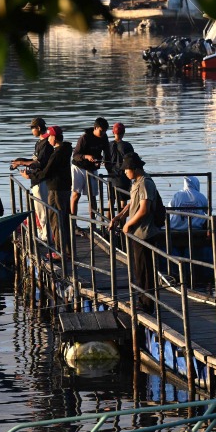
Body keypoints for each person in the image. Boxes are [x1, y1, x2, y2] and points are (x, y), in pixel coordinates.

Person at [110, 153, 165, 311]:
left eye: (127, 170)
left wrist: (128, 225)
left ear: (134, 169)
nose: (125, 173)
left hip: (144, 233)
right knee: (138, 269)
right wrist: (119, 217)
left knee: (145, 270)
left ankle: (147, 305)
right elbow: (132, 205)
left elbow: (144, 210)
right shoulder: (136, 183)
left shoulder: (146, 183)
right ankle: (141, 300)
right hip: (136, 233)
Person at [34, 126, 73, 260]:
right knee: (59, 218)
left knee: (57, 220)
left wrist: (32, 176)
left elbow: (47, 171)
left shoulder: (58, 153)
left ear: (54, 138)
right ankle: (63, 251)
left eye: (49, 137)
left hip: (57, 190)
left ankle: (62, 252)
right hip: (61, 188)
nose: (48, 139)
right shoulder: (65, 149)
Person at [12, 117, 52, 243]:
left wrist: (21, 162)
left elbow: (39, 163)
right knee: (39, 211)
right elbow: (34, 161)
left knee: (43, 210)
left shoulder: (46, 144)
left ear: (38, 128)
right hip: (35, 181)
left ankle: (47, 236)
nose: (31, 131)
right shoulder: (39, 143)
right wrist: (20, 162)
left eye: (32, 128)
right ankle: (42, 233)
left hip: (41, 182)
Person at [71, 117, 109, 222]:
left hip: (92, 169)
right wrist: (87, 156)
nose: (103, 133)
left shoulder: (104, 138)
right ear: (95, 128)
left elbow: (107, 154)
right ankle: (73, 223)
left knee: (92, 196)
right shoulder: (85, 138)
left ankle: (93, 223)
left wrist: (102, 161)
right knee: (76, 194)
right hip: (79, 167)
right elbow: (75, 155)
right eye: (101, 131)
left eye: (105, 131)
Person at [104, 122, 135, 215]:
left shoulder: (107, 146)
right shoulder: (127, 146)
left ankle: (108, 225)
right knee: (123, 202)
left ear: (113, 132)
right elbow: (131, 161)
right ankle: (122, 225)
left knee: (110, 202)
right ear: (124, 132)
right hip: (123, 178)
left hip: (111, 178)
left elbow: (105, 162)